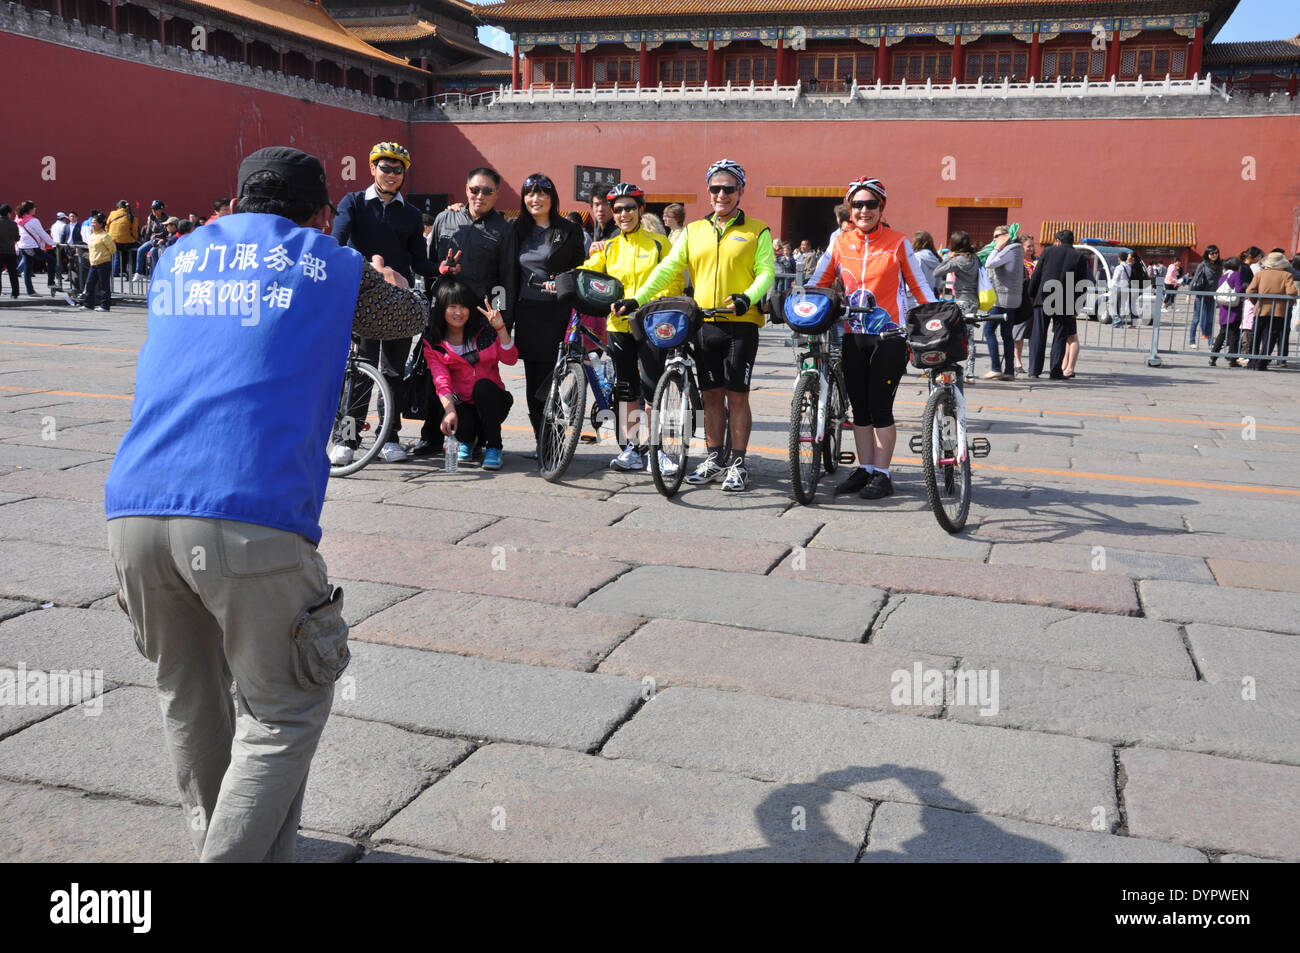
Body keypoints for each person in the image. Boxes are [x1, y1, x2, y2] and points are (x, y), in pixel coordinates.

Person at [105, 145, 427, 863]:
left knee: (192, 703)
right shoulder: (329, 263)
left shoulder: (178, 256)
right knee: (285, 710)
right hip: (247, 515)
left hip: (132, 513)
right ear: (319, 215)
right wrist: (378, 271)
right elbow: (408, 316)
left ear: (237, 200)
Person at [620, 158, 774, 492]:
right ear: (708, 192)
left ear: (741, 191)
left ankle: (738, 463)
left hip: (740, 324)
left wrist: (748, 297)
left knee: (738, 396)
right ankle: (715, 457)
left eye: (729, 188)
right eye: (715, 188)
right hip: (704, 323)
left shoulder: (757, 229)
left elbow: (766, 272)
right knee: (711, 395)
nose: (722, 194)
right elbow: (669, 268)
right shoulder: (694, 231)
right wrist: (638, 298)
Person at [809, 176, 935, 500]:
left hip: (889, 337)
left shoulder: (898, 242)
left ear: (882, 207)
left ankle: (883, 474)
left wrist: (935, 315)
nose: (864, 210)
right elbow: (818, 282)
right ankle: (865, 469)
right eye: (858, 204)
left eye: (871, 204)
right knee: (860, 410)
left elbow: (919, 286)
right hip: (853, 336)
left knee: (881, 407)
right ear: (850, 208)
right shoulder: (839, 242)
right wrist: (802, 303)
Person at [332, 141, 439, 464]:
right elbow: (338, 243)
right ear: (372, 169)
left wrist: (442, 268)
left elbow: (419, 262)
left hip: (396, 302)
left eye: (398, 169)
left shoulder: (410, 214)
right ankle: (347, 438)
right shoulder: (353, 203)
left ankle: (390, 436)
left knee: (393, 372)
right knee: (361, 370)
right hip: (362, 298)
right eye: (385, 167)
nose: (391, 174)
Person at [581, 182, 683, 473]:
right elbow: (588, 274)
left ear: (641, 210)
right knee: (626, 389)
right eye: (618, 209)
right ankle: (632, 449)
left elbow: (673, 283)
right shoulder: (609, 247)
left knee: (652, 389)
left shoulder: (659, 244)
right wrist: (562, 280)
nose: (623, 213)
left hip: (651, 323)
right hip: (618, 325)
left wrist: (644, 302)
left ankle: (658, 450)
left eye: (629, 208)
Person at [420, 167, 519, 455]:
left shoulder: (503, 229)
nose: (480, 196)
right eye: (475, 190)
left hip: (479, 316)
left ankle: (484, 437)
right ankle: (432, 436)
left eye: (487, 191)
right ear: (465, 190)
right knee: (436, 375)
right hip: (443, 312)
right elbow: (429, 268)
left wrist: (502, 322)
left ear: (497, 195)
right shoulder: (445, 218)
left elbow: (506, 279)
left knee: (479, 377)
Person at [511, 172, 587, 447]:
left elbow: (580, 266)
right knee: (535, 384)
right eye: (530, 193)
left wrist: (563, 281)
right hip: (527, 313)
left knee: (552, 382)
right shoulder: (515, 229)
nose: (536, 198)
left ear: (552, 198)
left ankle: (552, 442)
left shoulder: (569, 230)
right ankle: (545, 442)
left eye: (543, 193)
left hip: (558, 313)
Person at [422, 279, 516, 470]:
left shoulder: (485, 331)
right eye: (452, 307)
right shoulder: (433, 341)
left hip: (492, 401)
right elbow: (441, 379)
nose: (458, 312)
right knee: (449, 400)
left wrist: (501, 328)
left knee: (482, 387)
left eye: (463, 307)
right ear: (442, 309)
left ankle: (494, 447)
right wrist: (449, 412)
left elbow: (510, 359)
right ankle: (465, 441)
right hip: (462, 404)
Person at [1027, 229, 1088, 379]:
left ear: (1058, 241)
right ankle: (1055, 371)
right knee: (1060, 337)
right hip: (1065, 301)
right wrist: (1077, 306)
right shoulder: (1079, 256)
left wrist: (1031, 294)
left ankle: (1034, 370)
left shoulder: (1048, 252)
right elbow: (1082, 284)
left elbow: (1037, 275)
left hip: (1044, 297)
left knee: (1038, 334)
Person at [982, 225, 1024, 380]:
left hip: (1002, 299)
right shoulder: (1017, 250)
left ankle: (995, 368)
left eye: (997, 236)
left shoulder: (1010, 250)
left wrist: (997, 248)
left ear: (1006, 236)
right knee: (1007, 335)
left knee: (988, 330)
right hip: (1011, 298)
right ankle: (1010, 371)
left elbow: (989, 264)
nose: (994, 240)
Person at [1245, 251, 1298, 370]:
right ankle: (1262, 362)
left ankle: (1252, 361)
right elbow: (1291, 292)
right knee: (1271, 337)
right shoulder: (1286, 275)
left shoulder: (1260, 274)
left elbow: (1249, 291)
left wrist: (1256, 301)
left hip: (1260, 309)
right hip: (1278, 310)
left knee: (1256, 335)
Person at [14, 201, 57, 297]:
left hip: (23, 246)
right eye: (34, 208)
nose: (35, 209)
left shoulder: (17, 219)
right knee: (52, 260)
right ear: (30, 209)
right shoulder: (33, 221)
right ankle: (51, 282)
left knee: (27, 269)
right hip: (32, 247)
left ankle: (30, 291)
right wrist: (53, 243)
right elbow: (42, 233)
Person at [1209, 256, 1245, 368]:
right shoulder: (1236, 275)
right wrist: (1245, 286)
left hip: (1224, 309)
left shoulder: (1224, 277)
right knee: (1233, 335)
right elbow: (1239, 290)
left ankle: (1213, 357)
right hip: (1233, 309)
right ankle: (1232, 360)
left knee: (1222, 333)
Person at [931, 231, 978, 313]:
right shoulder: (974, 257)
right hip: (975, 299)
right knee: (969, 325)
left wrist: (949, 258)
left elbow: (936, 272)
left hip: (962, 300)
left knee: (959, 325)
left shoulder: (957, 261)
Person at [1187, 246, 1221, 348]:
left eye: (1216, 253)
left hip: (1212, 296)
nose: (1214, 255)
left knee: (1210, 320)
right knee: (1196, 319)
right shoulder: (1202, 265)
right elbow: (1195, 279)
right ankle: (1192, 341)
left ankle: (1210, 342)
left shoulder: (1220, 265)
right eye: (1212, 253)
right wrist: (1188, 294)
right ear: (1207, 254)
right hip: (1201, 295)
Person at [81, 212, 115, 312]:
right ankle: (88, 304)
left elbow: (112, 249)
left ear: (100, 224)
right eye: (92, 222)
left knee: (104, 285)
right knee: (90, 284)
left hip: (103, 263)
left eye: (95, 223)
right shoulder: (92, 235)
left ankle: (105, 305)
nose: (92, 224)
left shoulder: (105, 236)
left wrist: (103, 255)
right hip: (93, 264)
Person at [134, 200, 169, 279]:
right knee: (140, 249)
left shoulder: (167, 219)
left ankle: (154, 274)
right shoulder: (151, 218)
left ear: (161, 209)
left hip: (161, 241)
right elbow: (148, 231)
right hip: (152, 240)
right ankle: (139, 272)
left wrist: (161, 241)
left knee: (153, 252)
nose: (153, 211)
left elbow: (166, 234)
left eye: (156, 209)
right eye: (152, 209)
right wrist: (144, 242)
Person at [106, 200, 139, 277]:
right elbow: (134, 231)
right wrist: (135, 239)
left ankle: (120, 271)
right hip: (126, 242)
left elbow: (107, 226)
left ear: (119, 207)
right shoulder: (132, 216)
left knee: (120, 252)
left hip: (112, 241)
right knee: (137, 249)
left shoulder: (112, 213)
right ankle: (133, 270)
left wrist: (109, 236)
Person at [0, 205, 19, 299]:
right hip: (10, 251)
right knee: (13, 273)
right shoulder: (13, 223)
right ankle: (15, 293)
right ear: (8, 213)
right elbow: (17, 238)